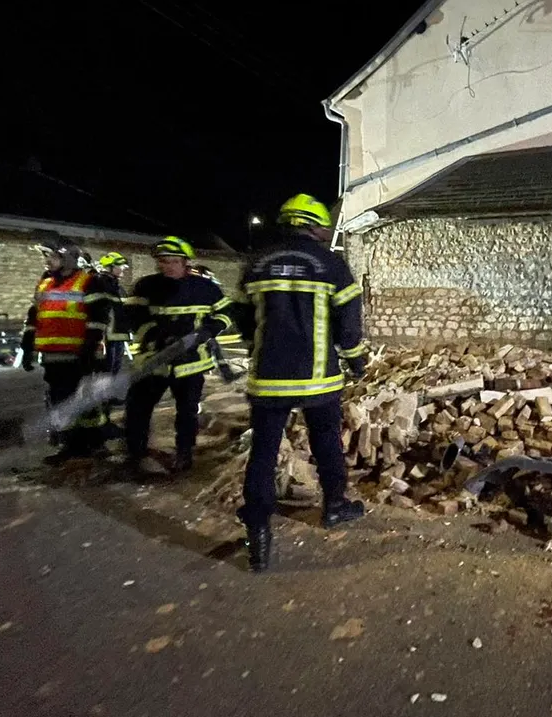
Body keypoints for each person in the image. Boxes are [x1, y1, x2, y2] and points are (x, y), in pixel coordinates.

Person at [234, 193, 368, 572]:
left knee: (263, 452)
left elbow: (243, 321)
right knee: (326, 443)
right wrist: (356, 360)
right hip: (317, 380)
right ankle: (335, 507)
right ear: (313, 225)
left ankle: (258, 527)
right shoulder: (329, 264)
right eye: (323, 226)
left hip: (268, 379)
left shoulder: (256, 264)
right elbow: (349, 324)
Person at [123, 236, 234, 475]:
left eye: (173, 262)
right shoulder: (146, 286)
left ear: (185, 262)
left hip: (191, 363)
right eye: (163, 262)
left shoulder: (205, 288)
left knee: (187, 411)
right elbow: (132, 318)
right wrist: (156, 336)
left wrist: (210, 329)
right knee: (139, 407)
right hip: (154, 361)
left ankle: (185, 453)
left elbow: (226, 313)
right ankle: (136, 452)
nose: (167, 266)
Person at [20, 235, 113, 464]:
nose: (46, 261)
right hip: (52, 356)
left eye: (50, 256)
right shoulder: (45, 282)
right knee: (61, 400)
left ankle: (94, 442)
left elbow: (98, 318)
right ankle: (72, 445)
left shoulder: (89, 281)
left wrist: (89, 349)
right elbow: (35, 315)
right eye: (45, 256)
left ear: (67, 257)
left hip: (79, 354)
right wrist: (28, 344)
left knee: (85, 401)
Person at [190, 264, 238, 383]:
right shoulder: (194, 288)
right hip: (194, 329)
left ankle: (227, 374)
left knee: (214, 348)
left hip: (201, 328)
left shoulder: (201, 288)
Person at [96, 252, 131, 378]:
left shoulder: (118, 288)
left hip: (119, 334)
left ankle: (110, 394)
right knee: (107, 369)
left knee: (115, 367)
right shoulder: (101, 285)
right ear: (110, 267)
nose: (124, 268)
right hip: (106, 336)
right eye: (120, 266)